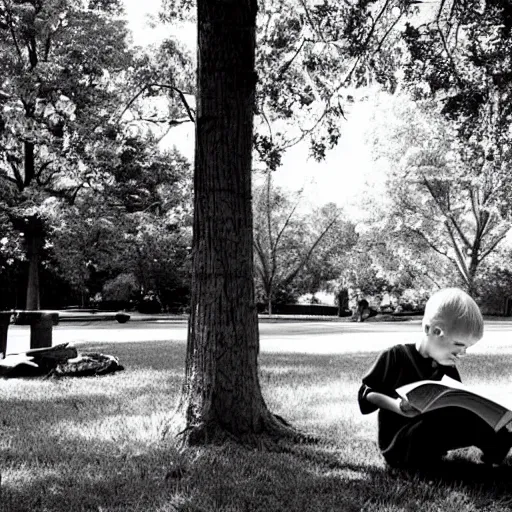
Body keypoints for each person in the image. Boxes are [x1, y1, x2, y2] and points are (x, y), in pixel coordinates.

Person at [358, 287, 512, 469]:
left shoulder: (446, 365)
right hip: (402, 440)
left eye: (467, 348)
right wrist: (398, 406)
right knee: (431, 425)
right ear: (432, 330)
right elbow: (366, 395)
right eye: (458, 345)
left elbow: (457, 402)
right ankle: (420, 463)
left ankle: (494, 455)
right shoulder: (395, 355)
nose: (462, 353)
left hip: (435, 431)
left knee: (488, 419)